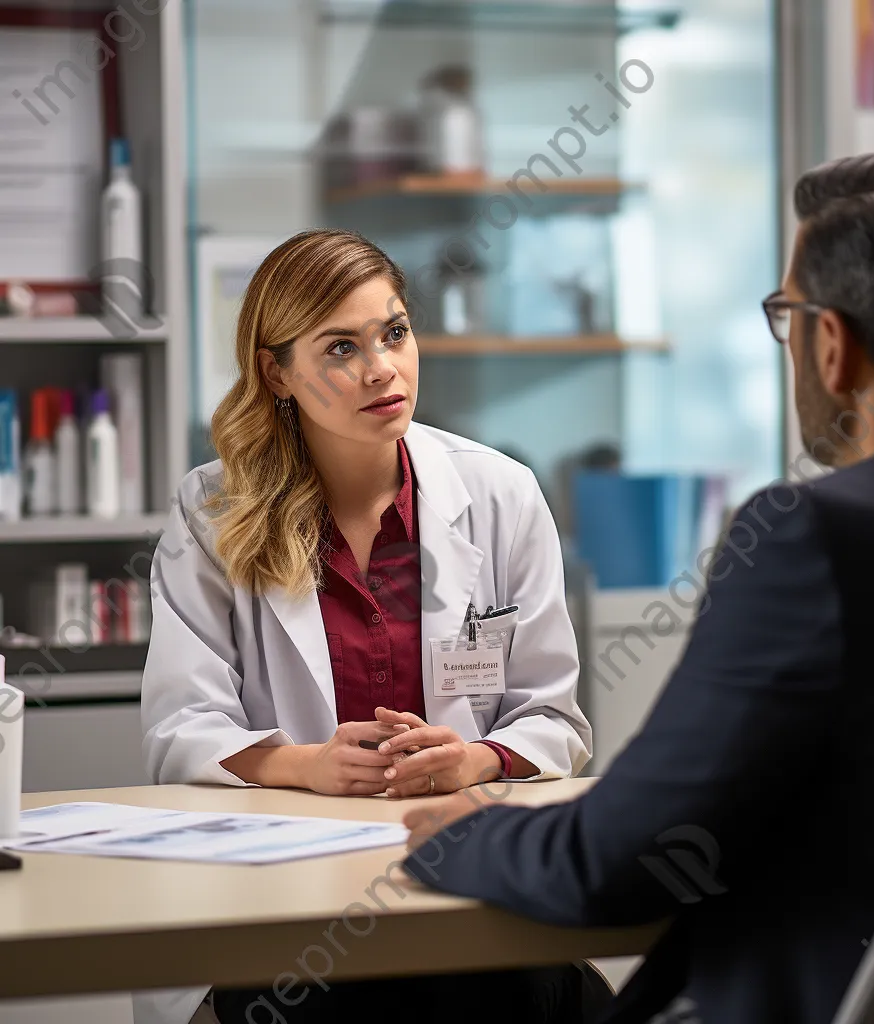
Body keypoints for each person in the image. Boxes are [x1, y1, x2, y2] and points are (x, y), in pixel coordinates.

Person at [400, 151, 874, 1024]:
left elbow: (615, 861)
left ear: (833, 346)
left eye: (786, 315)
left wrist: (463, 835)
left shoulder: (815, 535)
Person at [135, 229, 593, 1024]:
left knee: (493, 983)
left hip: (458, 875)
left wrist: (475, 758)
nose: (382, 367)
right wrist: (306, 765)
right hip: (289, 895)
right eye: (341, 347)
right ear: (276, 371)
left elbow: (553, 716)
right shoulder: (212, 513)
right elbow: (181, 726)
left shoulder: (501, 495)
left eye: (395, 332)